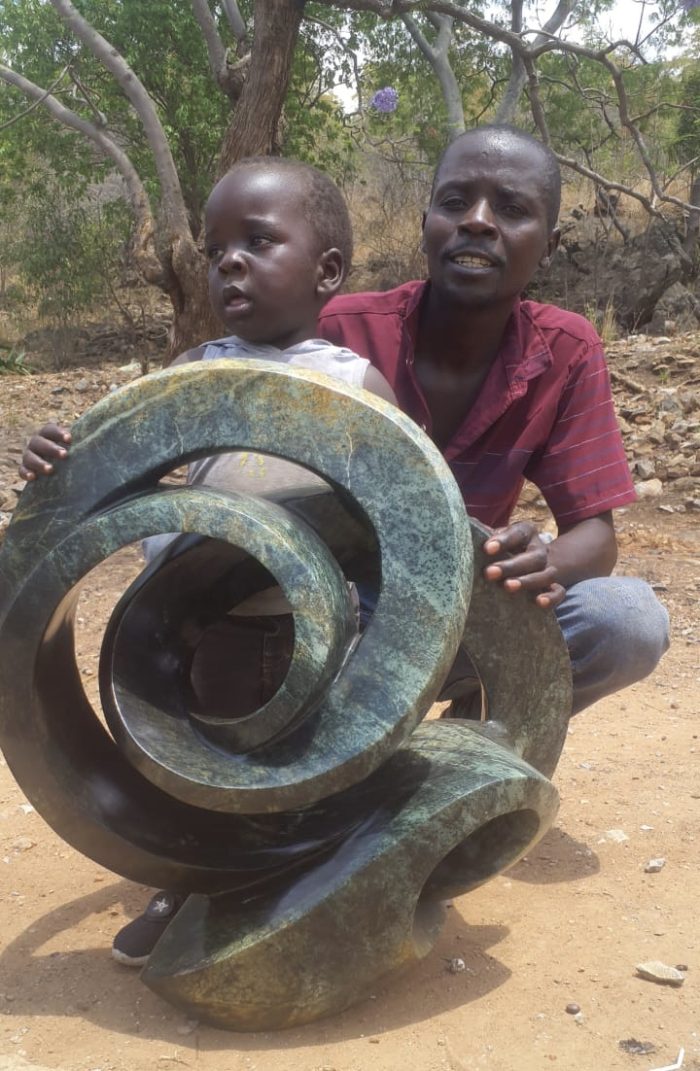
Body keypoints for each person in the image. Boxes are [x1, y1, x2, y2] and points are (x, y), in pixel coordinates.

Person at [18, 156, 396, 964]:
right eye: (217, 246)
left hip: (314, 626)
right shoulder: (193, 375)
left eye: (259, 242)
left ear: (327, 270)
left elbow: (406, 508)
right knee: (203, 757)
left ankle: (297, 878)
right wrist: (59, 455)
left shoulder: (358, 385)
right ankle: (191, 876)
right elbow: (113, 471)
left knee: (302, 758)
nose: (229, 261)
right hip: (201, 624)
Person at [318, 124, 669, 716]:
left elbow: (596, 535)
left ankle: (473, 747)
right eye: (454, 202)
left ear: (550, 244)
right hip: (336, 615)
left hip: (473, 610)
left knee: (629, 619)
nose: (478, 221)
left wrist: (539, 561)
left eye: (511, 209)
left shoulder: (566, 349)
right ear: (426, 221)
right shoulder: (338, 332)